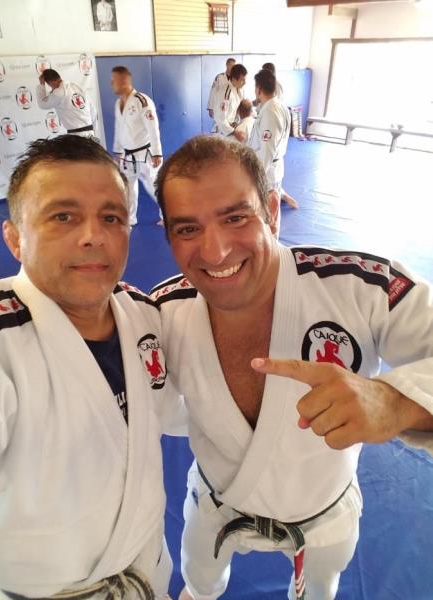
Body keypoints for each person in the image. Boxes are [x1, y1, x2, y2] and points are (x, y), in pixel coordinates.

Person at [150, 135, 433, 600]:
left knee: (320, 589)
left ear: (271, 210)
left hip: (323, 514)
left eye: (235, 217)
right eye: (187, 229)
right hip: (216, 504)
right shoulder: (160, 313)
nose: (215, 251)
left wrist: (396, 402)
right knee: (199, 582)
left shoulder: (359, 287)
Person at [0, 135, 183, 600]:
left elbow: (185, 408)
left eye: (111, 217)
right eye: (63, 216)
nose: (94, 235)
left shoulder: (143, 315)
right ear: (14, 238)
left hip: (147, 571)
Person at [111, 65, 163, 227]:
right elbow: (119, 129)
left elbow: (153, 128)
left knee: (154, 187)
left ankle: (168, 215)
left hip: (145, 155)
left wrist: (157, 153)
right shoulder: (118, 103)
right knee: (128, 188)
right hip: (127, 155)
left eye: (114, 80)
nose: (111, 84)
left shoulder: (142, 101)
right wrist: (118, 151)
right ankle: (130, 219)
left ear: (123, 81)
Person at [249, 69, 298, 212]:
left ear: (258, 89)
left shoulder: (270, 112)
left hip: (267, 173)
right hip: (273, 169)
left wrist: (256, 177)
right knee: (270, 209)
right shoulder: (278, 105)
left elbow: (267, 150)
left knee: (266, 213)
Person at [36, 69, 97, 137]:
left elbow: (42, 104)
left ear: (50, 82)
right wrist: (93, 131)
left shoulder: (58, 93)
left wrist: (41, 84)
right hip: (90, 133)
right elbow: (93, 109)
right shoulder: (77, 86)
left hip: (77, 137)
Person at [211, 63, 247, 140]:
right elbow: (220, 118)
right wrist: (234, 132)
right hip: (222, 133)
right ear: (234, 79)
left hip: (231, 129)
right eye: (242, 80)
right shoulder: (226, 93)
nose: (245, 83)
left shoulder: (239, 90)